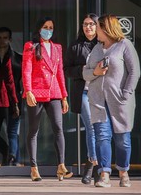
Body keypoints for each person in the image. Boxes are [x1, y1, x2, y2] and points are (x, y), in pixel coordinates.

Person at [83, 14, 140, 188]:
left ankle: (123, 172)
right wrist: (96, 73)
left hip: (120, 101)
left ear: (105, 29)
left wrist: (126, 94)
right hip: (98, 101)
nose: (94, 31)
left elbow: (134, 71)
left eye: (97, 27)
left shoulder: (124, 45)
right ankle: (104, 175)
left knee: (122, 139)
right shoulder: (96, 49)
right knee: (102, 137)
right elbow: (85, 72)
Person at [22, 16, 72, 181]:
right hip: (36, 92)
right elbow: (26, 70)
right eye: (45, 27)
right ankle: (34, 168)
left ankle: (61, 166)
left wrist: (64, 96)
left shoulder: (57, 48)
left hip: (54, 92)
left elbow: (60, 74)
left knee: (58, 127)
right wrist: (28, 91)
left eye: (51, 27)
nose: (48, 30)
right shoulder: (31, 46)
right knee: (33, 130)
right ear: (39, 28)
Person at [64, 13, 99, 184]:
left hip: (103, 93)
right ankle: (93, 165)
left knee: (102, 130)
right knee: (91, 127)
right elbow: (66, 70)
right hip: (84, 92)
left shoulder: (104, 44)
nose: (88, 27)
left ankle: (93, 165)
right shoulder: (75, 46)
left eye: (92, 24)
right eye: (85, 24)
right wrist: (83, 69)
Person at [0, 27, 20, 166]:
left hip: (13, 100)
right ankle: (7, 153)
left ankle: (13, 160)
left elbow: (18, 80)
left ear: (10, 39)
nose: (2, 40)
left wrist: (17, 101)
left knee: (12, 132)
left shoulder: (17, 58)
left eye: (5, 37)